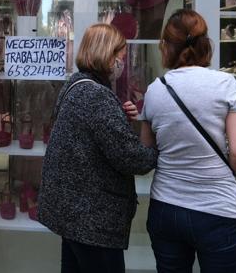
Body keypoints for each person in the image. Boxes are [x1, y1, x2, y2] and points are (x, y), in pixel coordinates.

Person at [37, 23, 158, 273]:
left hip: (72, 213)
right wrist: (154, 144)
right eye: (119, 57)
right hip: (93, 221)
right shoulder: (97, 96)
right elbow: (132, 159)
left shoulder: (76, 85)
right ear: (106, 55)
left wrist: (118, 118)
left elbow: (90, 138)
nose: (120, 64)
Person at [138, 9, 236, 273]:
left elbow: (145, 153)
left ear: (166, 46)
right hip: (219, 208)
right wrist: (214, 175)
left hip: (167, 208)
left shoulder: (155, 89)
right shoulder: (226, 83)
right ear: (205, 44)